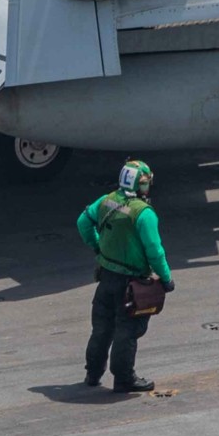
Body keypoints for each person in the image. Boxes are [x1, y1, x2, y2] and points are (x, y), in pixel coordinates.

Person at [74, 159, 174, 394]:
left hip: (106, 276)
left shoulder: (107, 200)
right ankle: (124, 379)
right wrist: (166, 278)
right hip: (130, 285)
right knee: (126, 331)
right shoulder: (144, 213)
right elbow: (155, 250)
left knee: (101, 328)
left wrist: (97, 246)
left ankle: (93, 373)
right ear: (142, 184)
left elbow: (83, 223)